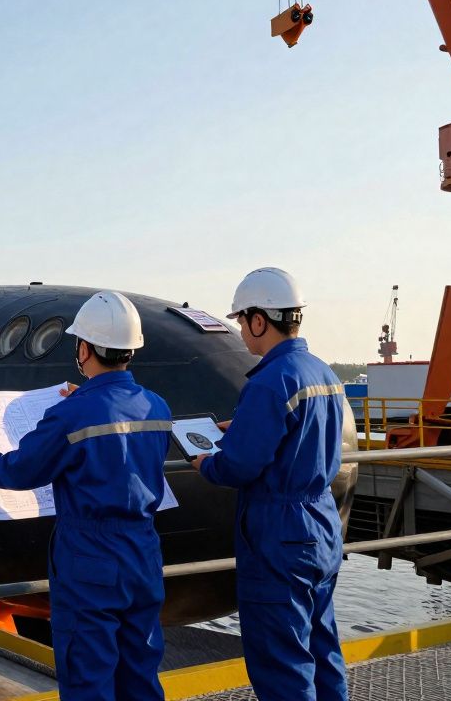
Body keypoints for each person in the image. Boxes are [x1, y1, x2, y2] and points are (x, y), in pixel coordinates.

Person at [0, 291, 170, 701]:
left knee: (87, 677)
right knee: (140, 673)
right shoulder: (157, 406)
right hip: (143, 552)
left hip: (90, 556)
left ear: (85, 348)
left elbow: (23, 469)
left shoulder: (72, 413)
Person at [192, 268, 348, 701]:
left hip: (278, 535)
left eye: (243, 320)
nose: (241, 330)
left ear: (260, 320)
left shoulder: (268, 382)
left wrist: (206, 463)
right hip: (321, 524)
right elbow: (302, 437)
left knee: (281, 662)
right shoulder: (324, 374)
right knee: (322, 648)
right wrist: (245, 427)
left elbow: (239, 467)